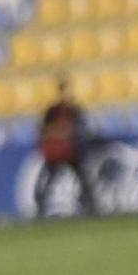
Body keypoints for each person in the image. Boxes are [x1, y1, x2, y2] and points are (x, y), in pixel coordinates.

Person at [35, 76, 99, 218]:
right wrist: (59, 132)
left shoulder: (74, 110)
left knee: (84, 180)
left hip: (71, 151)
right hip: (57, 152)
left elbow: (83, 128)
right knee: (46, 182)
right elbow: (42, 129)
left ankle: (91, 208)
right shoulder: (52, 111)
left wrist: (68, 134)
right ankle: (40, 210)